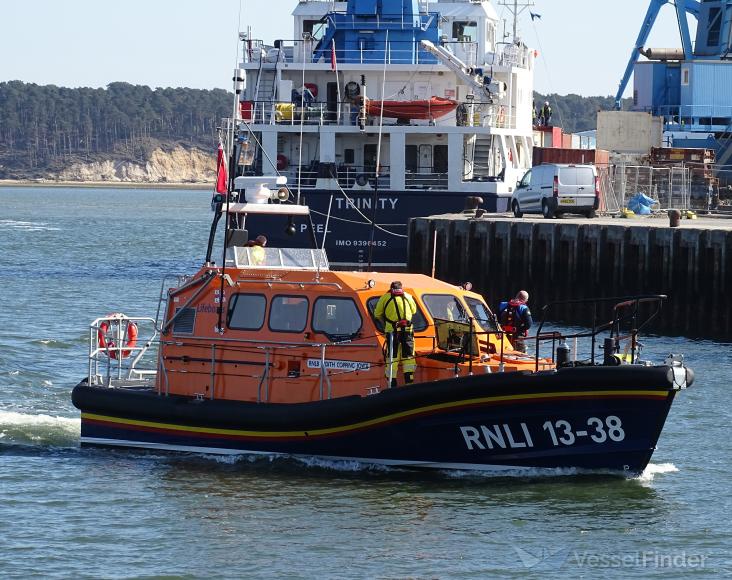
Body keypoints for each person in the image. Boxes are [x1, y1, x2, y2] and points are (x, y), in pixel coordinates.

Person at [373, 281, 417, 387]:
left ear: (391, 288)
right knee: (408, 358)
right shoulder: (409, 296)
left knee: (392, 359)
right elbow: (414, 311)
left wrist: (386, 323)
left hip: (392, 332)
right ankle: (409, 384)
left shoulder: (385, 297)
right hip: (408, 332)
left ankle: (392, 386)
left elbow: (377, 314)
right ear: (401, 288)